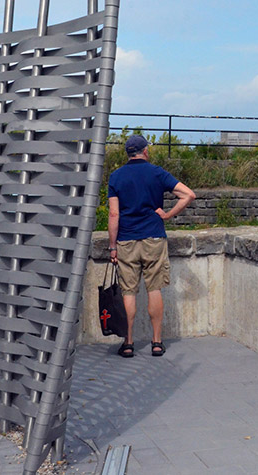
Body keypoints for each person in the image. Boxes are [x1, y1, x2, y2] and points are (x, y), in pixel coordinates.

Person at [107, 135, 196, 358]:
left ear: (128, 153)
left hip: (126, 240)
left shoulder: (116, 176)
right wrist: (167, 215)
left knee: (128, 291)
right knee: (154, 288)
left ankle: (128, 343)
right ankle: (157, 342)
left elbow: (114, 214)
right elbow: (188, 195)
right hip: (154, 238)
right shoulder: (157, 173)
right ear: (145, 151)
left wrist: (112, 247)